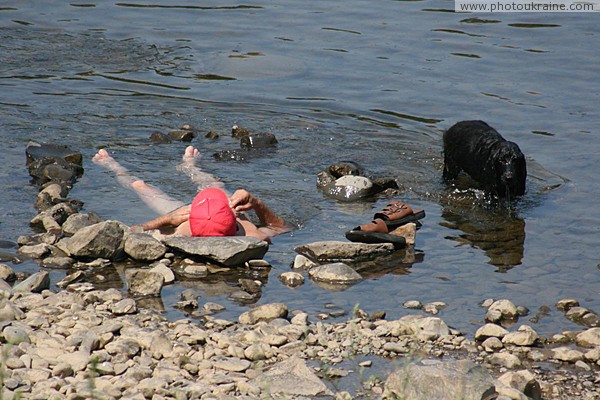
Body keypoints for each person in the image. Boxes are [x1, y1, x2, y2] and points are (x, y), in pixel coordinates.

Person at [92, 146, 291, 242]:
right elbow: (283, 227)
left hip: (181, 213)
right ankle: (191, 167)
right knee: (213, 184)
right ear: (234, 216)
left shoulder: (182, 232)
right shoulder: (250, 234)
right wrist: (256, 203)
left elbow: (130, 232)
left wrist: (167, 219)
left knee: (140, 187)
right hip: (199, 216)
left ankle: (112, 165)